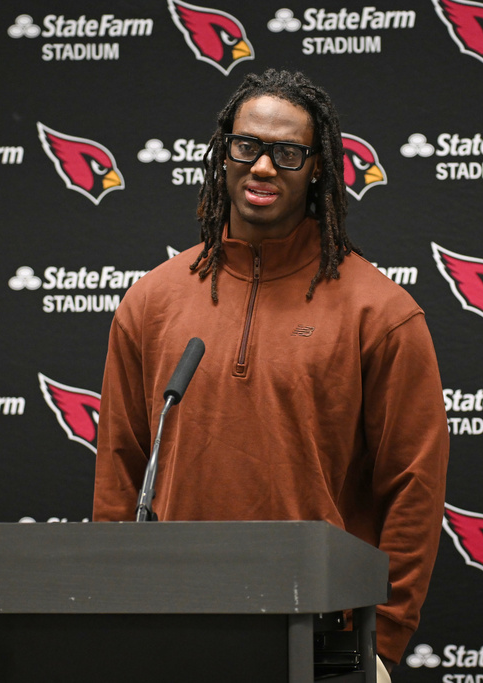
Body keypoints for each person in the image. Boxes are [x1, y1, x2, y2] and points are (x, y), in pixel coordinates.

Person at [93, 69, 449, 676]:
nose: (262, 167)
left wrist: (380, 641)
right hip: (173, 630)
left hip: (323, 637)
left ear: (317, 168)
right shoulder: (152, 302)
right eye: (247, 145)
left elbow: (413, 483)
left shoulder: (380, 311)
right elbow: (121, 470)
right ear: (222, 153)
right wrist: (117, 611)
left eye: (287, 152)